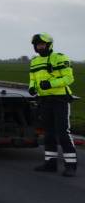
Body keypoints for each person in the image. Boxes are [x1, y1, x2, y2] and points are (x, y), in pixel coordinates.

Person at [29, 33, 76, 177]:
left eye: (42, 44)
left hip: (60, 100)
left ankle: (71, 166)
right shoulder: (35, 61)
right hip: (44, 101)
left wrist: (51, 84)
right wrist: (32, 87)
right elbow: (33, 78)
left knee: (63, 133)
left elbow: (69, 78)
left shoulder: (60, 58)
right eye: (38, 45)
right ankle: (50, 164)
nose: (40, 47)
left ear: (49, 45)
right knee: (48, 134)